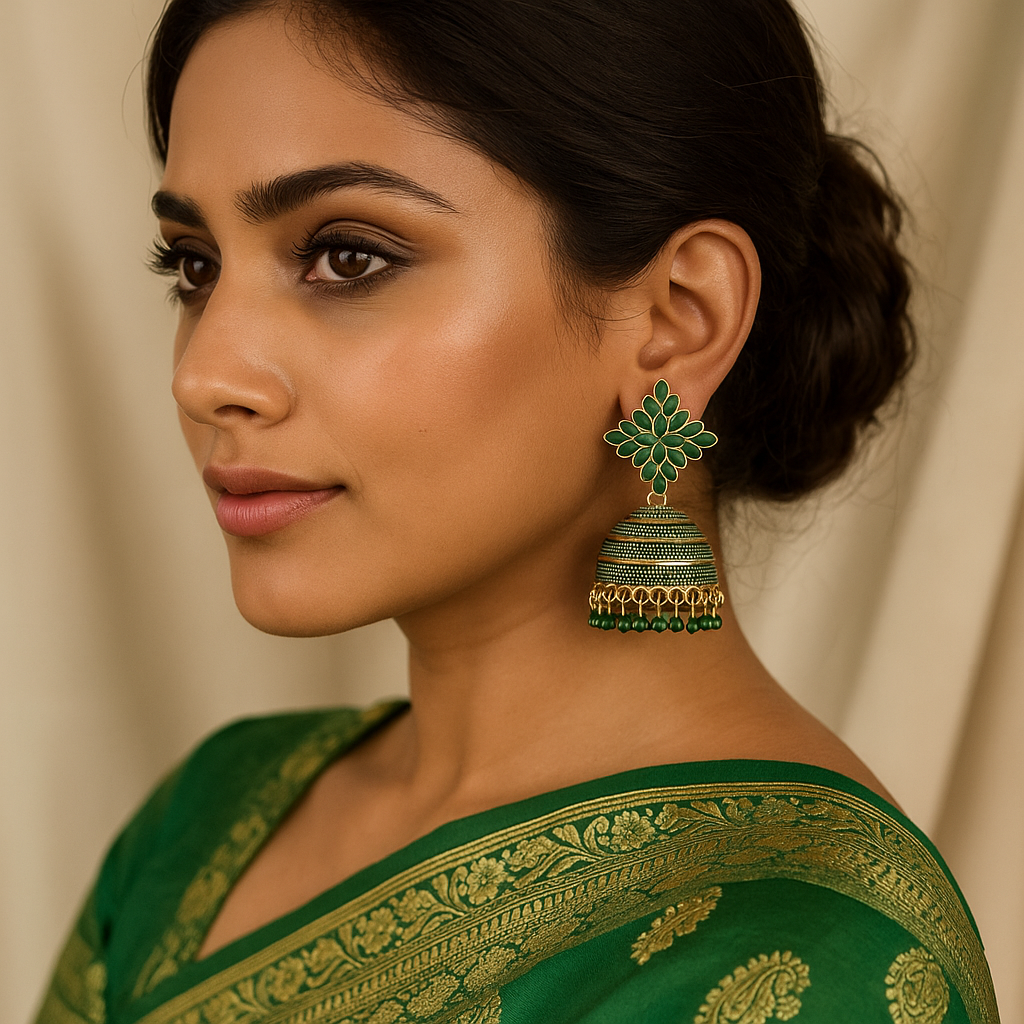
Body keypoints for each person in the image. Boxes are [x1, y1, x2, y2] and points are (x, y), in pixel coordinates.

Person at [35, 1, 999, 1022]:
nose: (207, 375)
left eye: (347, 257)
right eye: (194, 265)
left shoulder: (809, 957)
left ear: (678, 320)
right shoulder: (203, 828)